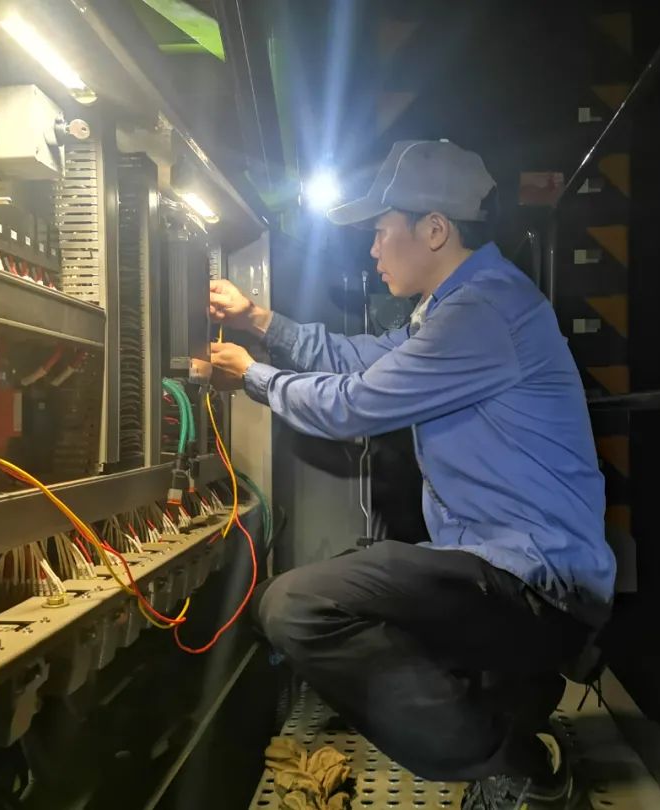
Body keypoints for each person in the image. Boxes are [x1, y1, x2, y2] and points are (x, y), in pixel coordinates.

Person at [208, 140, 615, 810]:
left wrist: (252, 377)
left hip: (537, 586)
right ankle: (511, 702)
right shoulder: (460, 306)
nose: (373, 249)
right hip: (524, 578)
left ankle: (520, 768)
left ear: (434, 229)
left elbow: (353, 403)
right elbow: (357, 357)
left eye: (381, 230)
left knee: (296, 606)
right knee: (362, 576)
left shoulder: (480, 313)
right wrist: (260, 321)